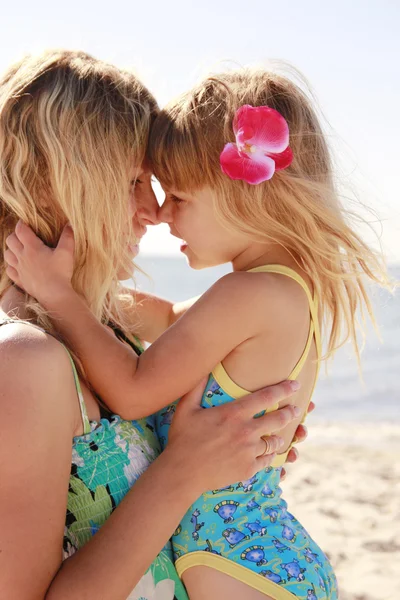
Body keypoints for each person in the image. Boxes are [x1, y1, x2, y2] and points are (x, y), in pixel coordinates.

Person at [0, 52, 306, 600]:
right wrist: (184, 471)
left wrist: (241, 439)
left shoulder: (105, 327)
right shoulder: (25, 361)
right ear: (69, 182)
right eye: (134, 179)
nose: (153, 209)